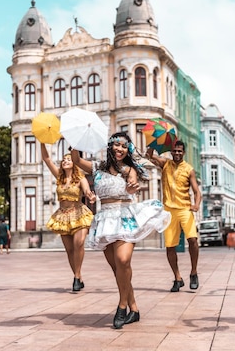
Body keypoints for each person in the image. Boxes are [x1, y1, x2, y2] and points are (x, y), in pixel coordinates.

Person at [71, 132, 170, 329]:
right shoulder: (97, 167)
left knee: (123, 261)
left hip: (124, 216)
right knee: (118, 270)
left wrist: (132, 187)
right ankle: (134, 308)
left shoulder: (128, 169)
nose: (120, 149)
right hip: (105, 219)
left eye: (124, 146)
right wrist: (77, 140)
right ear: (110, 147)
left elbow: (133, 184)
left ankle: (122, 306)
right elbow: (75, 160)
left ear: (127, 150)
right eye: (116, 145)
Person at [146, 140, 202, 292]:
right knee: (170, 247)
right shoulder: (165, 164)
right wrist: (154, 143)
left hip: (184, 209)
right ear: (171, 152)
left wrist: (196, 205)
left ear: (183, 152)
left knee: (193, 240)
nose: (177, 153)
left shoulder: (189, 169)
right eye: (175, 151)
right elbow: (148, 156)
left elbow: (197, 192)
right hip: (168, 211)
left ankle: (194, 272)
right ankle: (177, 278)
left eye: (180, 151)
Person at [41, 143, 95, 291]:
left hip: (78, 213)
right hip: (63, 216)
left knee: (79, 242)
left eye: (68, 159)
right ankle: (78, 277)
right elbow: (46, 159)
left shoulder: (80, 178)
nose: (65, 161)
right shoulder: (59, 177)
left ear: (74, 162)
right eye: (63, 160)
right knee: (70, 250)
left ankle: (77, 277)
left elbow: (86, 190)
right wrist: (41, 142)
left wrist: (90, 195)